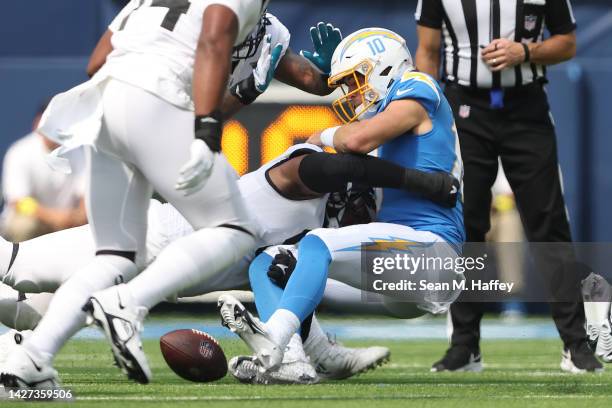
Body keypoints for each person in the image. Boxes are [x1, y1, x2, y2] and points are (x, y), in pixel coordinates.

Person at [0, 140, 458, 382]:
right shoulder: (309, 171)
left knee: (31, 312)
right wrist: (415, 179)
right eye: (367, 204)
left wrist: (328, 356)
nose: (367, 216)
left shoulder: (312, 240)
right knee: (18, 267)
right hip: (148, 237)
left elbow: (285, 289)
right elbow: (336, 168)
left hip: (164, 274)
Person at [0, 0, 272, 391]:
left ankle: (31, 361)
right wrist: (208, 126)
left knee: (113, 255)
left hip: (103, 101)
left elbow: (97, 60)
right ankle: (130, 303)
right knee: (236, 229)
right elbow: (216, 28)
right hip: (155, 94)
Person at [218, 27, 465, 373]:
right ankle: (290, 361)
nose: (351, 94)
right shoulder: (383, 120)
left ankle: (272, 337)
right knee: (270, 262)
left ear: (383, 67)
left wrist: (323, 134)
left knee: (319, 243)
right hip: (391, 276)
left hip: (435, 258)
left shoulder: (417, 86)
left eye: (355, 80)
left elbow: (358, 141)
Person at [413, 0, 601, 373]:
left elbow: (567, 42)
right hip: (463, 109)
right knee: (467, 226)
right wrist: (429, 113)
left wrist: (526, 51)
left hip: (526, 109)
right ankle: (465, 346)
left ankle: (575, 345)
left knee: (548, 223)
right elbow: (428, 51)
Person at [1, 103, 87, 242]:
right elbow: (18, 202)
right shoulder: (19, 152)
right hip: (34, 220)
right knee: (24, 226)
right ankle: (22, 263)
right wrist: (53, 217)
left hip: (67, 221)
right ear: (37, 125)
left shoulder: (77, 151)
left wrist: (81, 215)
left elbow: (85, 192)